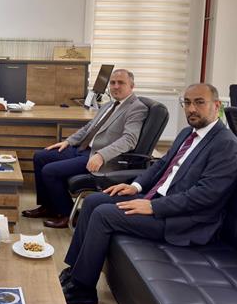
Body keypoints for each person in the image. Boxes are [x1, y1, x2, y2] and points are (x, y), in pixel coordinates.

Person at [60, 83, 237, 304]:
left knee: (103, 215)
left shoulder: (226, 145)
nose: (191, 109)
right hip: (156, 199)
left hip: (183, 220)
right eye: (187, 103)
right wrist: (136, 187)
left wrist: (154, 207)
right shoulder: (187, 133)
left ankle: (83, 289)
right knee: (93, 201)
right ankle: (74, 271)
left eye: (199, 102)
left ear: (217, 106)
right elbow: (161, 165)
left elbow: (205, 196)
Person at [22, 69, 148, 229]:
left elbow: (129, 140)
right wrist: (68, 142)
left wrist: (101, 155)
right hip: (83, 148)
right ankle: (48, 206)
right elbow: (89, 128)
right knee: (41, 156)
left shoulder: (136, 108)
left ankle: (68, 214)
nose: (115, 86)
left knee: (50, 171)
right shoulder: (109, 105)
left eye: (121, 83)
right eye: (113, 83)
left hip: (101, 157)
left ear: (132, 86)